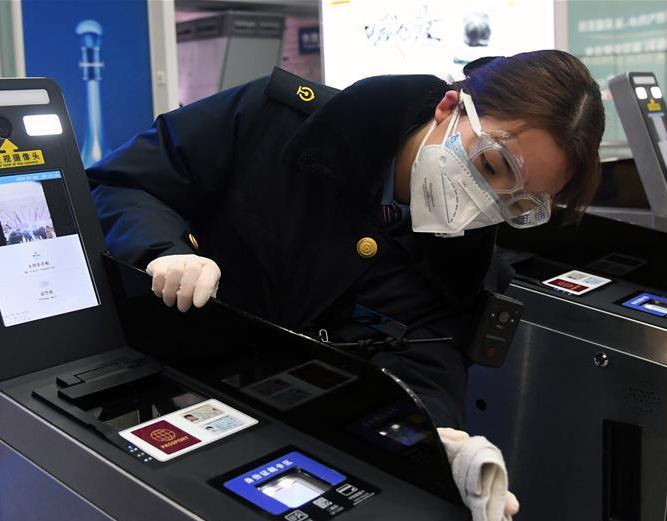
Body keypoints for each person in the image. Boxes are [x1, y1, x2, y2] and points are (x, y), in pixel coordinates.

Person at [86, 49, 605, 430]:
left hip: (286, 442)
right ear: (450, 107)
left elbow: (427, 368)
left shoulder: (462, 267)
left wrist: (436, 439)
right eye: (490, 165)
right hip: (158, 397)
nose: (484, 202)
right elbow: (121, 182)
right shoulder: (273, 121)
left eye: (514, 203)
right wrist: (164, 249)